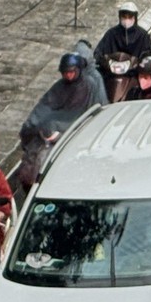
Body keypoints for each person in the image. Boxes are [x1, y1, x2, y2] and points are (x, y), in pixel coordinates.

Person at [17, 50, 106, 194]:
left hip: (78, 130)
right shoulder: (60, 87)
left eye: (71, 72)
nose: (69, 75)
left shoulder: (90, 85)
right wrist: (31, 125)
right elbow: (45, 106)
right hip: (53, 129)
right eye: (66, 72)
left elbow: (91, 111)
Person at [91, 3, 151, 102]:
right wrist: (100, 58)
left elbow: (148, 52)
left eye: (130, 17)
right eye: (124, 16)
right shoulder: (111, 33)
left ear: (135, 18)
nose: (127, 19)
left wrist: (143, 59)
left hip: (133, 72)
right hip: (112, 72)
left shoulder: (142, 35)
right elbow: (100, 50)